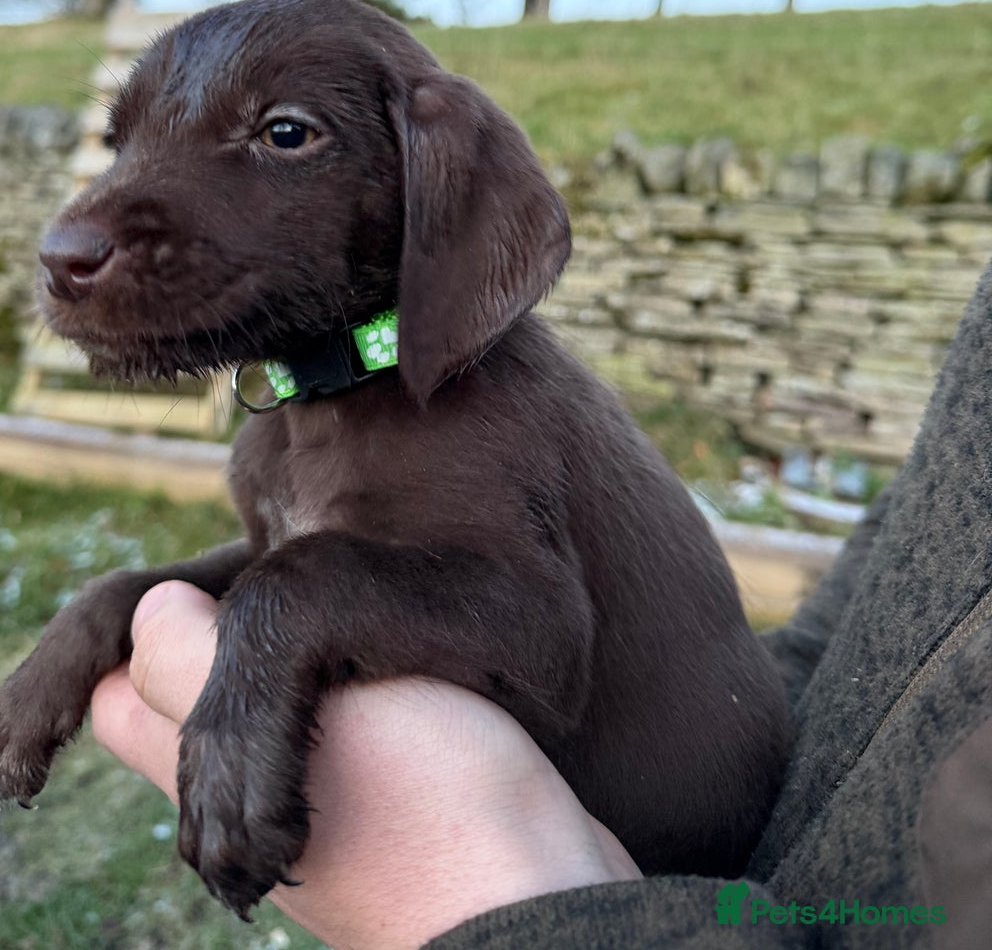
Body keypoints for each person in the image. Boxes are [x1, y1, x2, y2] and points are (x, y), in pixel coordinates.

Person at [92, 264, 992, 949]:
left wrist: (512, 904)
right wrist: (787, 684)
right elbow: (918, 553)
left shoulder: (475, 406)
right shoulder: (289, 433)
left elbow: (518, 625)